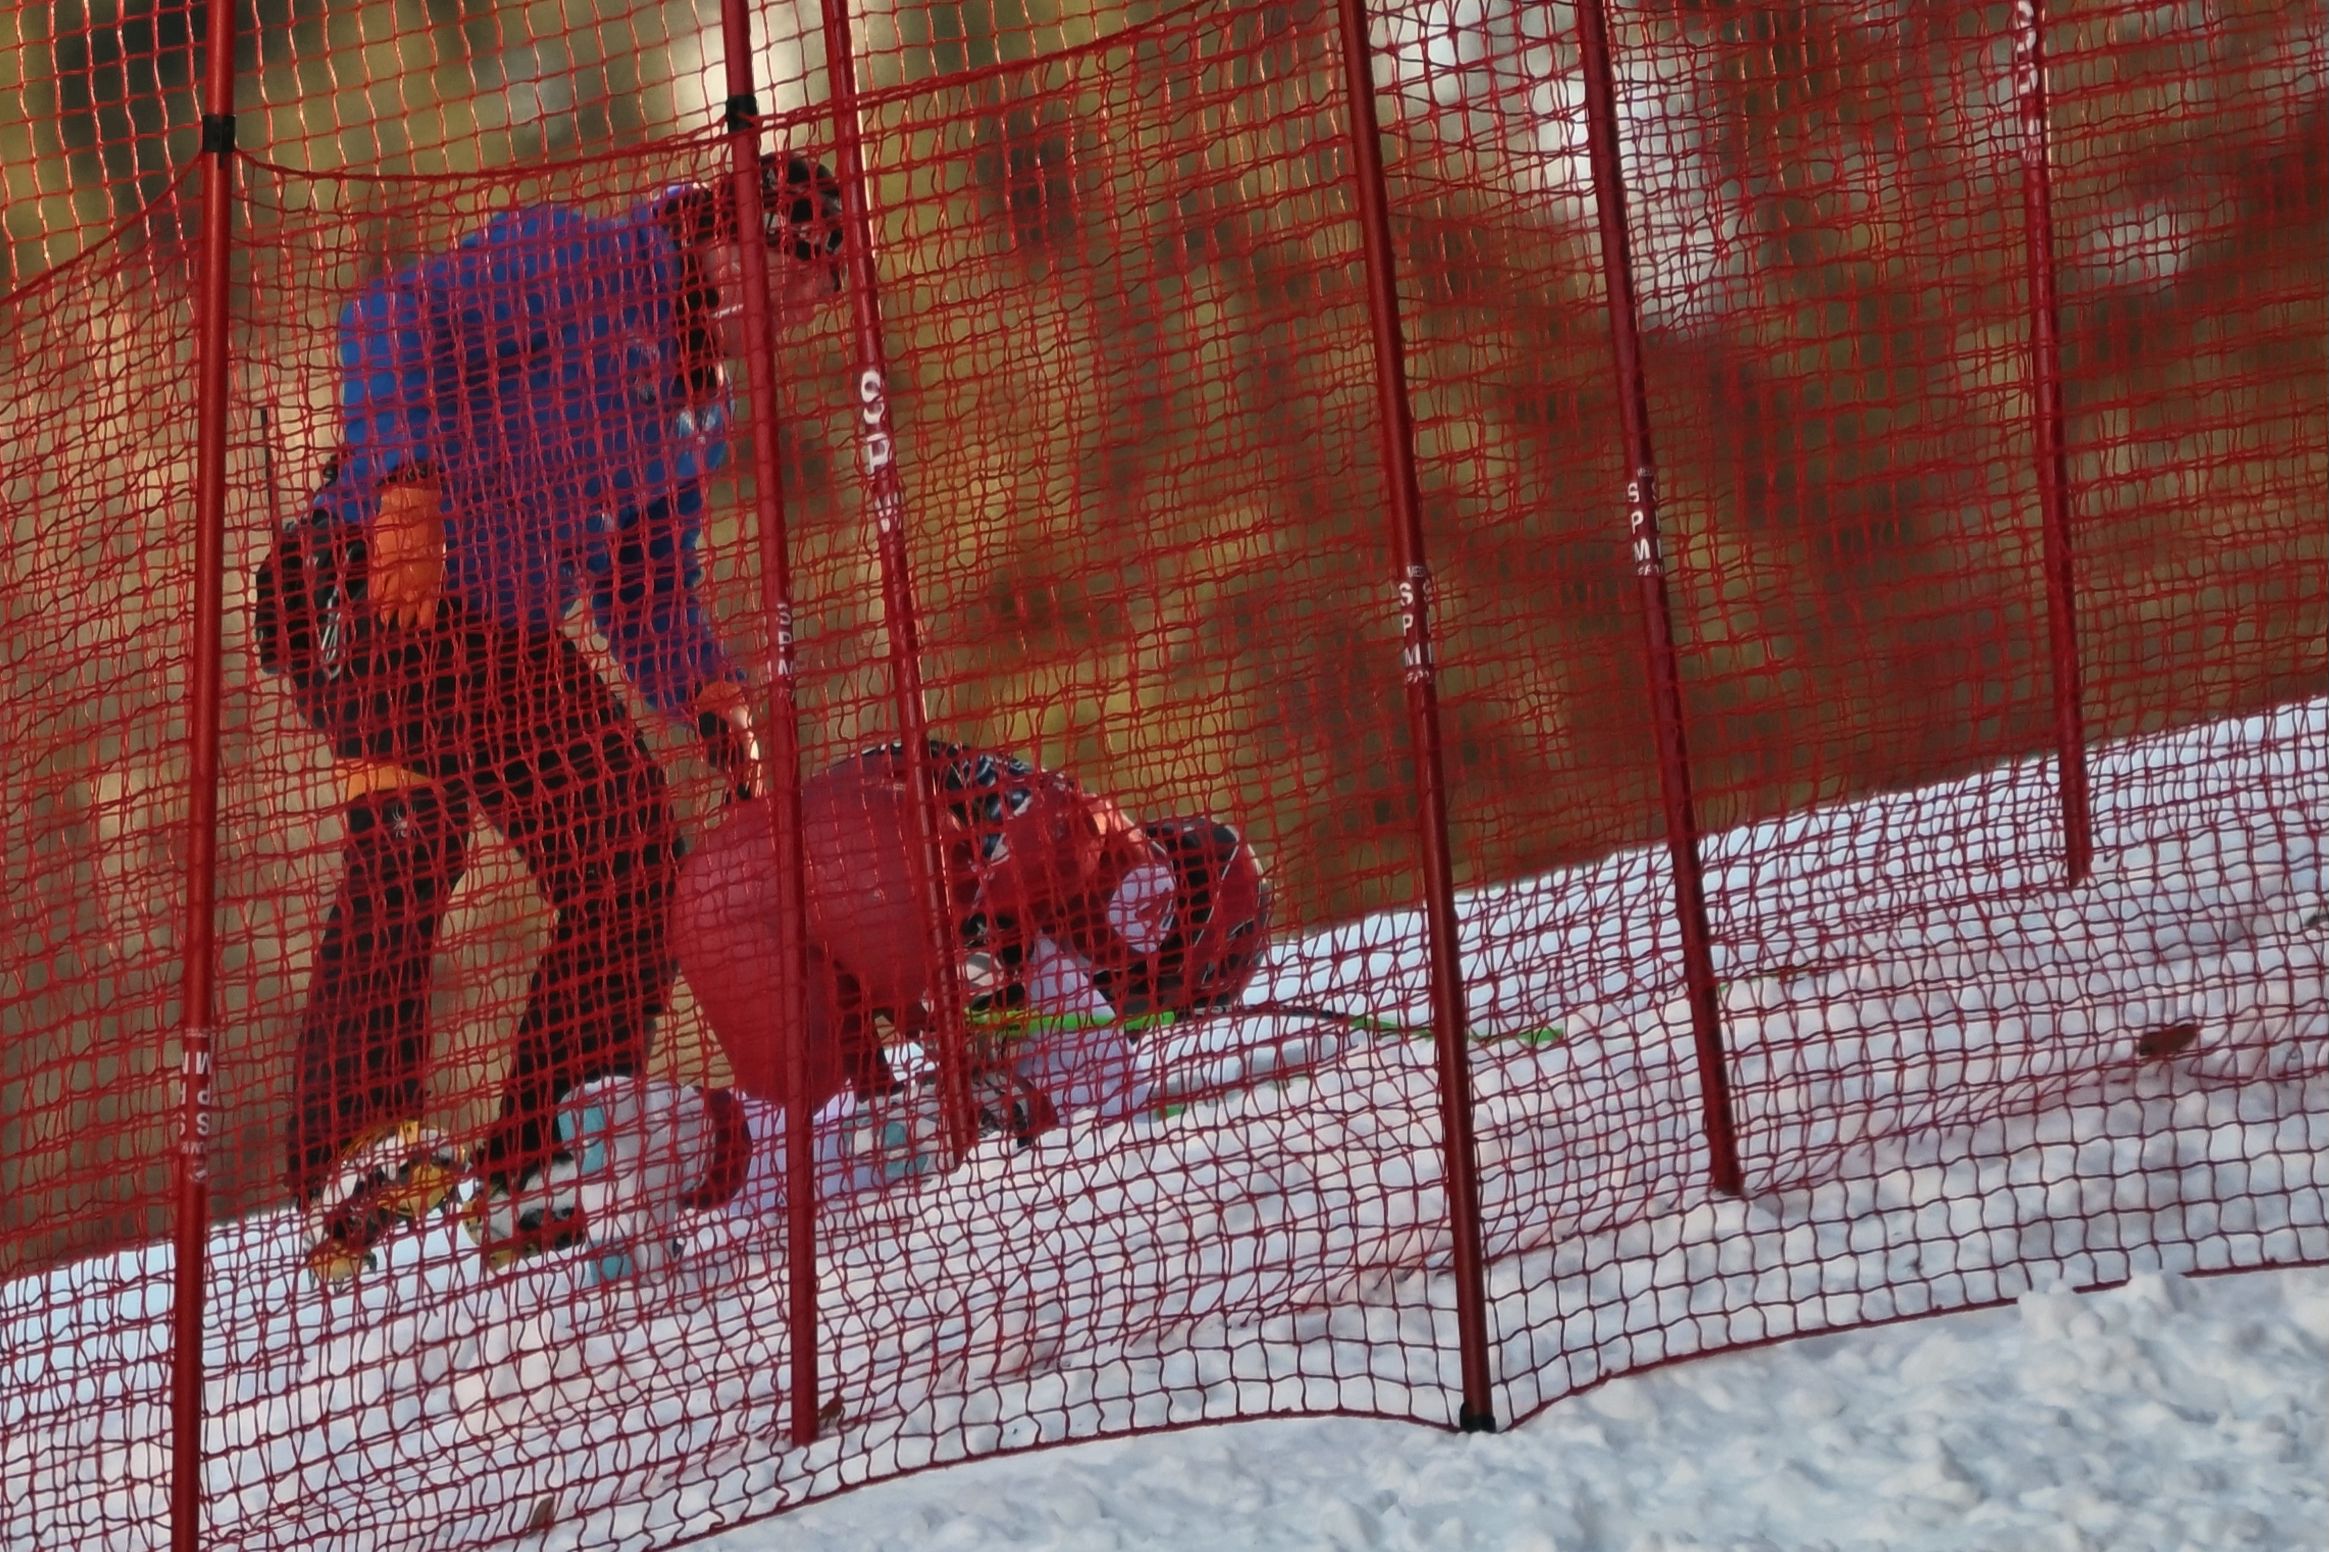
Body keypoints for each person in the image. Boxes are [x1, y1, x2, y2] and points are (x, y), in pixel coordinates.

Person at [252, 154, 847, 1282]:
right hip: (373, 572)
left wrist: (710, 695)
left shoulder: (694, 401)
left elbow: (644, 588)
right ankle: (354, 1176)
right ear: (740, 244)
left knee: (635, 866)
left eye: (815, 304)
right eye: (798, 286)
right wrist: (405, 484)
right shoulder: (586, 261)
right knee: (412, 844)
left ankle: (542, 1165)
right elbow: (385, 314)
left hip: (506, 640)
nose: (798, 319)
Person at [551, 741, 1275, 1280]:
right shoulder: (1130, 868)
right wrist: (986, 1016)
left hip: (720, 889)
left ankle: (640, 1137)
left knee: (801, 1118)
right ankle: (964, 1118)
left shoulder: (1061, 805)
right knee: (1099, 1082)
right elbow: (1005, 871)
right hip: (888, 882)